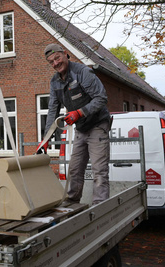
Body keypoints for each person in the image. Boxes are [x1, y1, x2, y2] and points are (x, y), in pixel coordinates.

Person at [38, 43, 111, 205]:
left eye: (57, 58)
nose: (56, 63)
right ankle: (72, 204)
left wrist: (79, 112)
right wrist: (45, 139)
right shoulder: (55, 82)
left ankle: (100, 206)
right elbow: (52, 110)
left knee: (99, 170)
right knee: (75, 169)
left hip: (98, 124)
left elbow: (101, 98)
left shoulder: (83, 72)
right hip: (81, 127)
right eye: (51, 62)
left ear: (65, 54)